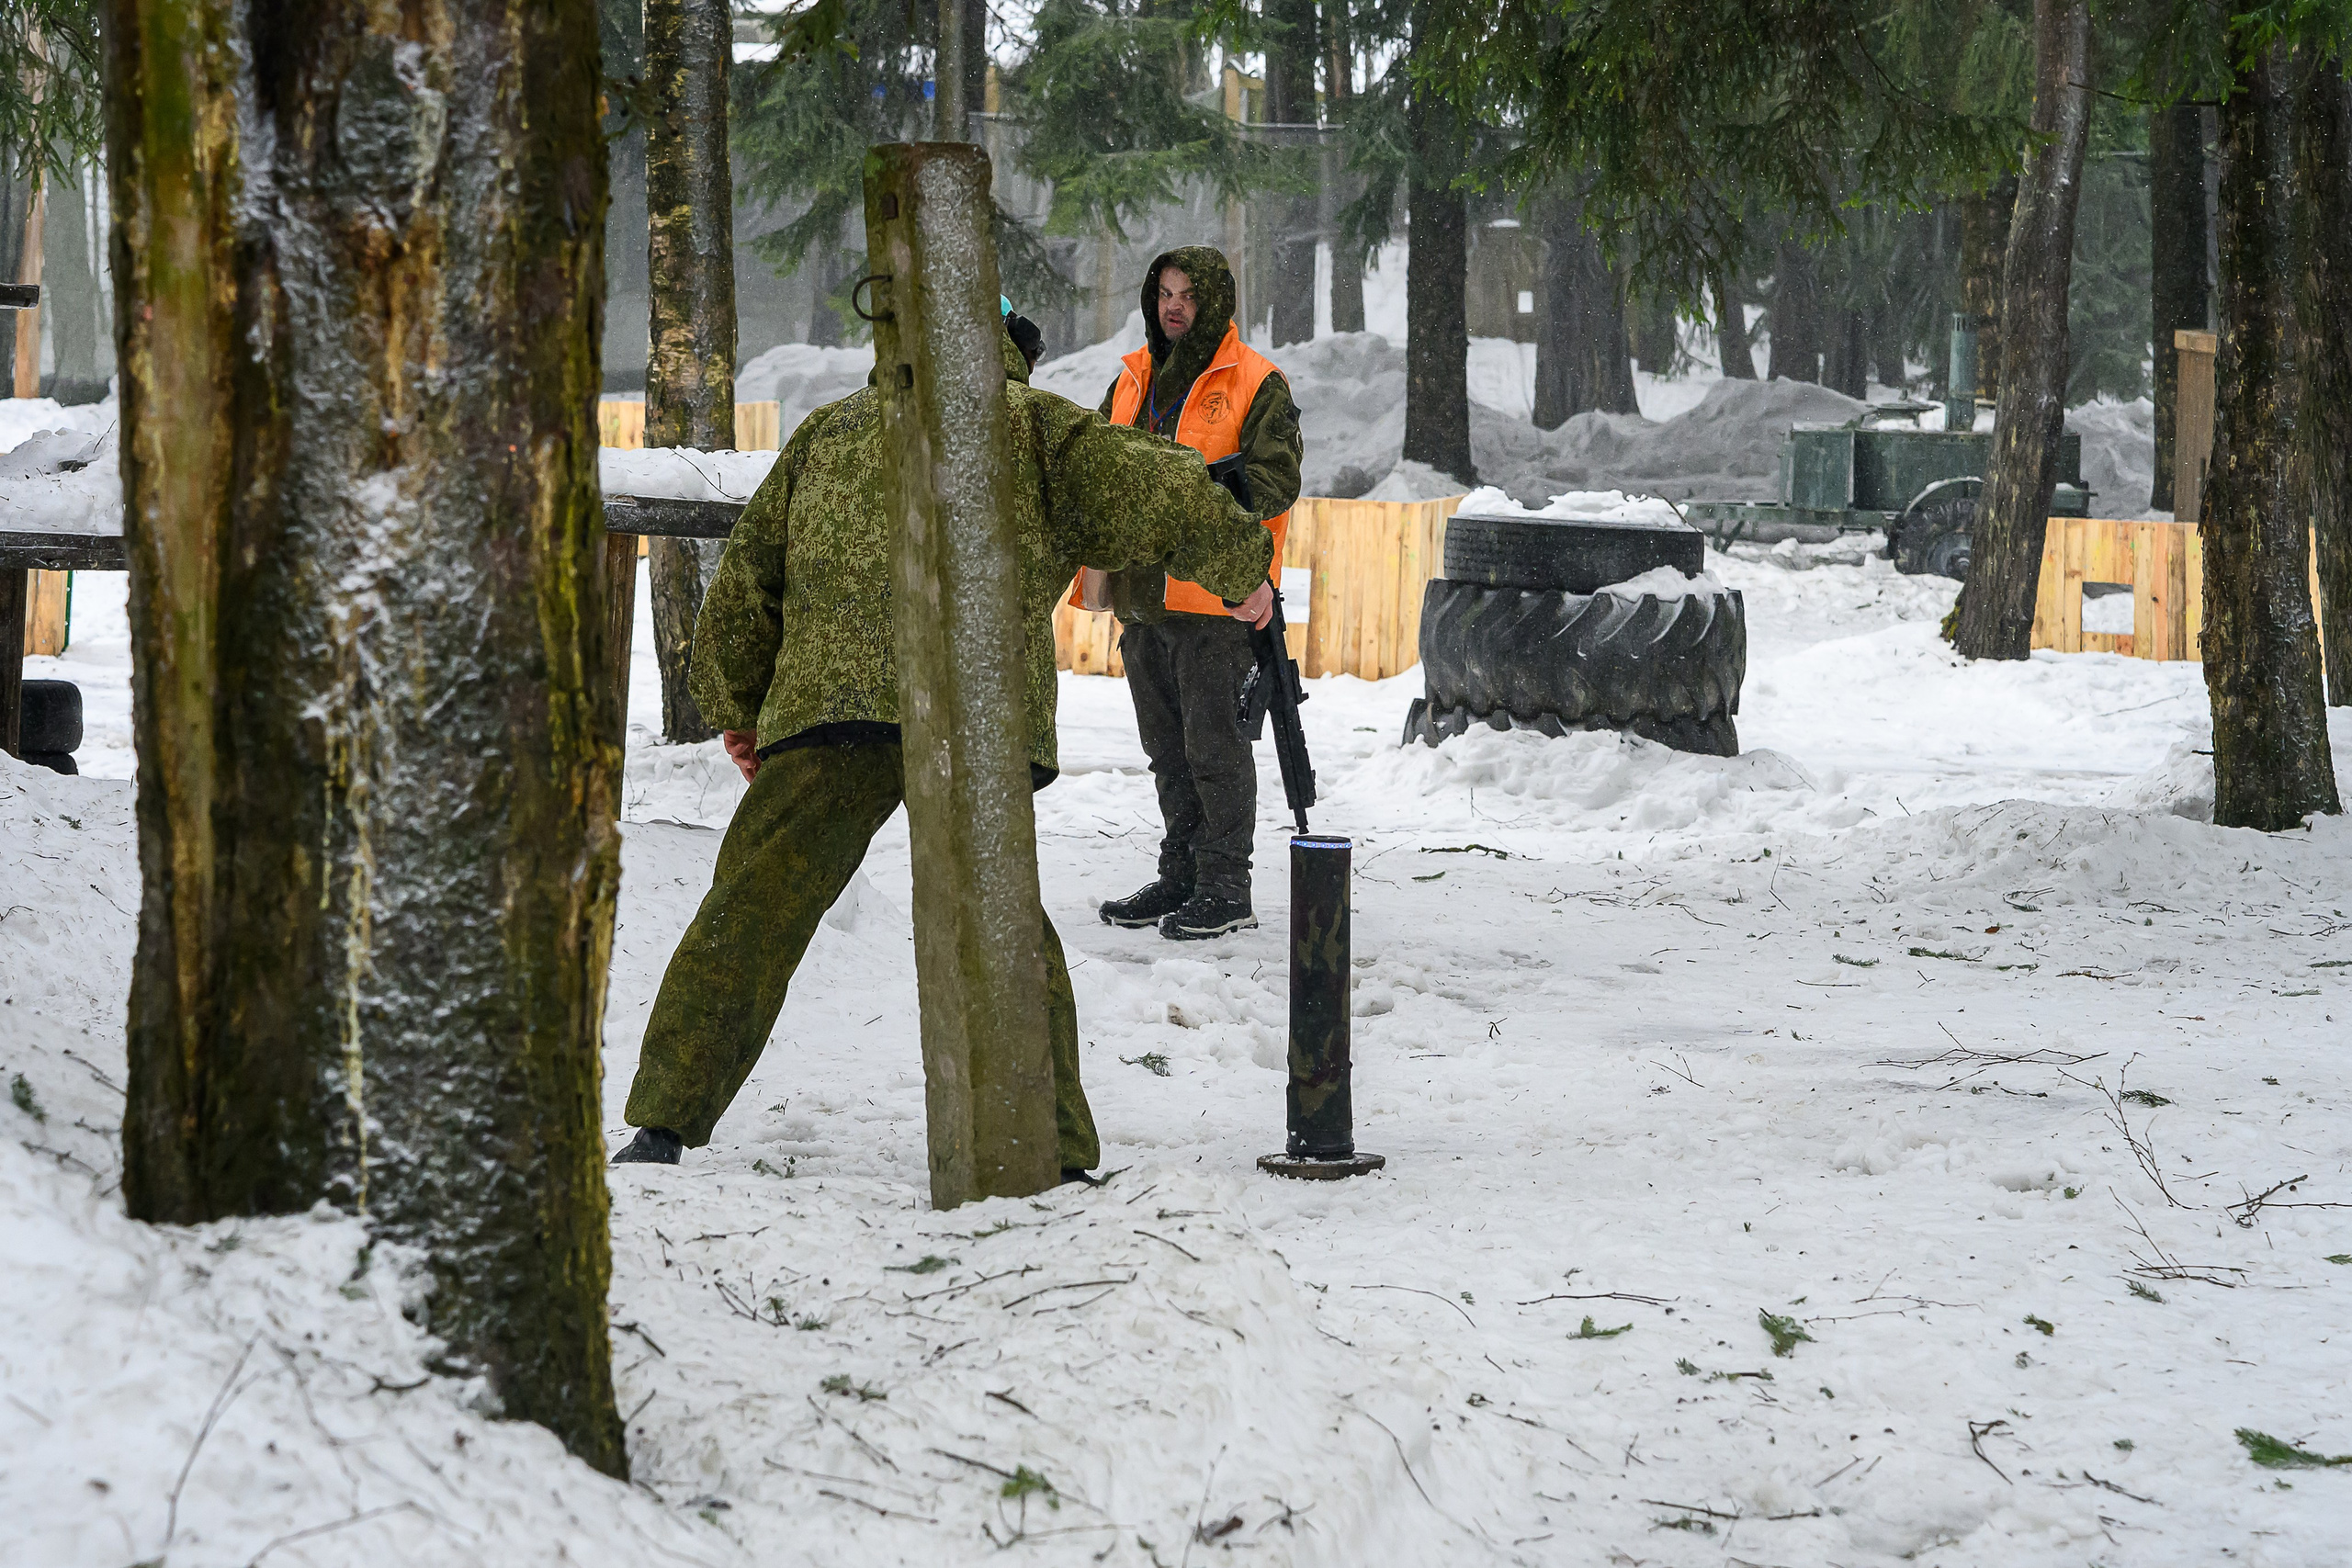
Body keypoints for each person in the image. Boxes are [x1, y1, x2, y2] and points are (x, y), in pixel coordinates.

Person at [611, 319, 1275, 1171]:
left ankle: (662, 1124)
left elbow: (746, 586)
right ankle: (1055, 1148)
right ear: (1010, 356)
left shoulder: (833, 428)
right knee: (1001, 925)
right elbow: (1165, 490)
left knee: (750, 911)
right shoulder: (1035, 425)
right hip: (974, 716)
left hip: (831, 710)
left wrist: (743, 711)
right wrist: (1243, 567)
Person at [1086, 247, 1305, 940]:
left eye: (1188, 296)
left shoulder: (1256, 381)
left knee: (1215, 749)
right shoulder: (1132, 380)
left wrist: (1195, 493)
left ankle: (1224, 885)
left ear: (1214, 303)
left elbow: (1276, 479)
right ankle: (1181, 872)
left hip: (1216, 604)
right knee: (1168, 751)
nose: (1173, 306)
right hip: (1145, 596)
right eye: (1164, 294)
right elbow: (1094, 462)